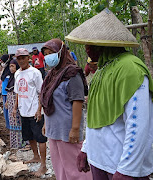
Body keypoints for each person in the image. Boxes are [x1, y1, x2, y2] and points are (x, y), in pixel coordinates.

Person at [65, 8, 153, 179]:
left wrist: (127, 169)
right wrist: (86, 150)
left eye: (91, 44)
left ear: (106, 43)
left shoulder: (130, 69)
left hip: (120, 166)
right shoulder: (101, 71)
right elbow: (94, 118)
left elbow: (139, 124)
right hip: (99, 160)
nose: (87, 48)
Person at [40, 39, 91, 180]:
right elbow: (48, 101)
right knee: (59, 166)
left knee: (76, 168)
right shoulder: (52, 75)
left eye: (51, 53)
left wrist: (75, 129)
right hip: (54, 129)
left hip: (67, 130)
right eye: (46, 54)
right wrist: (46, 123)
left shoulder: (72, 74)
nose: (48, 56)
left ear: (61, 53)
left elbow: (77, 101)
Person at [13, 48, 47, 177]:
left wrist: (39, 110)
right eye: (19, 58)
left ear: (28, 58)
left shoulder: (35, 73)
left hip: (35, 111)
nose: (21, 60)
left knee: (40, 138)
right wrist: (15, 108)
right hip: (23, 110)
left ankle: (43, 165)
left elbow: (41, 92)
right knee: (29, 136)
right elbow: (18, 92)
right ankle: (35, 156)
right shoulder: (17, 74)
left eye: (23, 57)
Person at [5, 59, 25, 149]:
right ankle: (14, 144)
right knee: (12, 122)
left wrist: (15, 106)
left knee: (18, 122)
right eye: (10, 66)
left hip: (16, 104)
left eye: (13, 66)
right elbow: (9, 91)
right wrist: (7, 102)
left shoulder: (18, 77)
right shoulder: (11, 78)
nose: (11, 68)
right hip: (11, 103)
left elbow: (17, 93)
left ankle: (21, 143)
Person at [0, 54, 12, 129]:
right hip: (4, 92)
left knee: (8, 109)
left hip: (8, 93)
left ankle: (10, 125)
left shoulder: (9, 71)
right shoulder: (6, 70)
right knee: (6, 109)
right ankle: (8, 125)